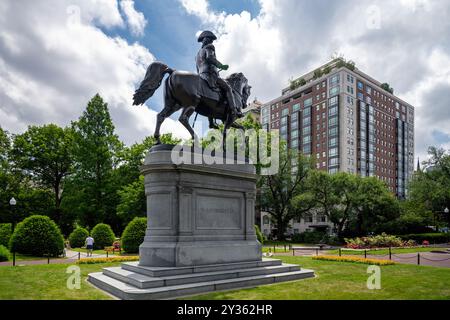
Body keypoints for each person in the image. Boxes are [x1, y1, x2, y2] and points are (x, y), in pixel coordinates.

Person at [195, 30, 243, 119]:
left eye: (211, 40)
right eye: (210, 39)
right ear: (206, 39)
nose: (211, 42)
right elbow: (210, 58)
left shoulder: (197, 54)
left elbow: (197, 68)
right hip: (211, 75)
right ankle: (234, 111)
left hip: (201, 76)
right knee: (228, 88)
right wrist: (222, 66)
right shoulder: (210, 47)